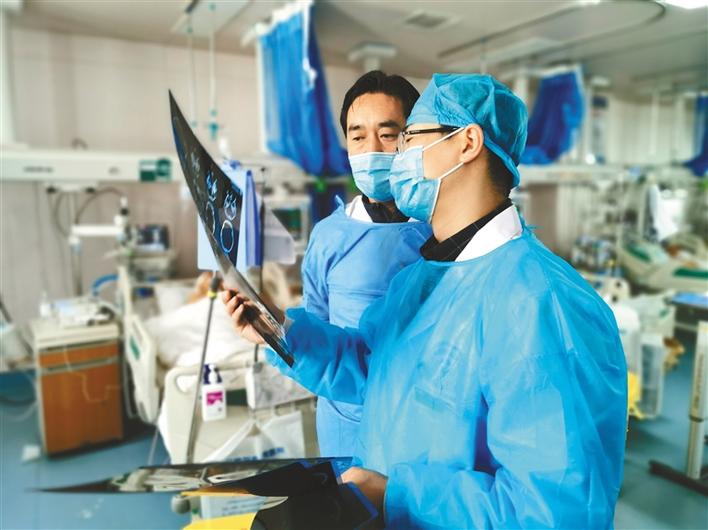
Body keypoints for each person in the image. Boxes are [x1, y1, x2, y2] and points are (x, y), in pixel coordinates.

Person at [223, 74, 627, 529]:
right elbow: (373, 369)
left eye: (409, 136)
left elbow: (556, 512)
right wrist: (280, 331)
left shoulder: (541, 304)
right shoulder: (418, 281)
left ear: (467, 143)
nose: (396, 157)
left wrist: (397, 495)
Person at [297, 71, 431, 457]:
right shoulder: (329, 235)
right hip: (345, 422)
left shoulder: (443, 228)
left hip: (424, 422)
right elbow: (315, 323)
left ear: (413, 138)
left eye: (387, 134)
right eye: (357, 137)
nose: (371, 149)